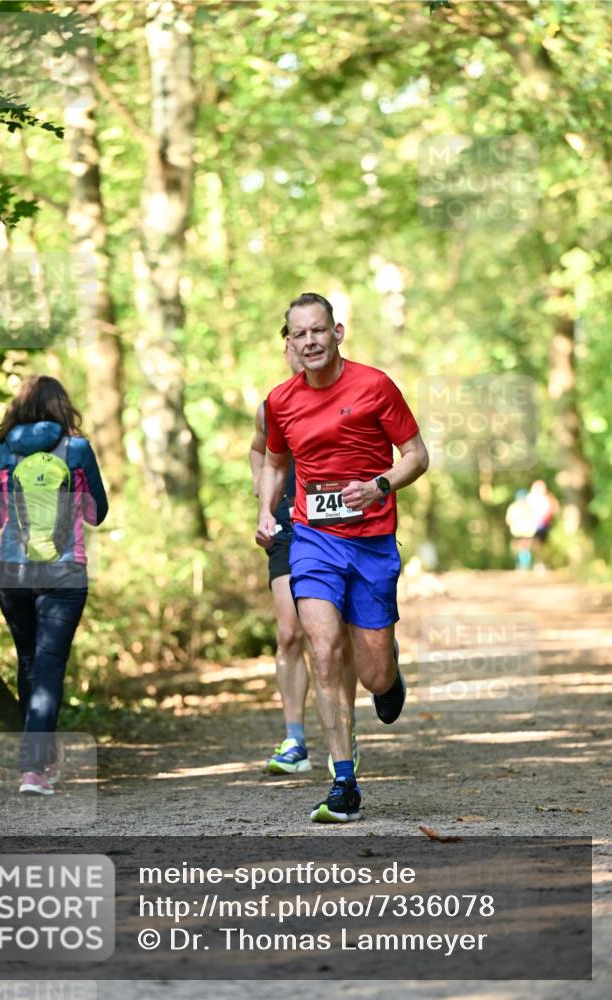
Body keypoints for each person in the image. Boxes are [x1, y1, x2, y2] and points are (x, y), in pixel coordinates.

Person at [256, 292, 428, 823]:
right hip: (313, 538)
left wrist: (380, 485)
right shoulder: (280, 401)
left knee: (374, 676)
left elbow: (418, 456)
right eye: (298, 334)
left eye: (317, 330)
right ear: (289, 342)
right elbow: (276, 463)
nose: (309, 341)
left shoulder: (375, 386)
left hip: (373, 541)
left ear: (338, 332)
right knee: (323, 647)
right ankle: (344, 780)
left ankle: (390, 672)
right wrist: (266, 510)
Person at [0, 375, 108, 795]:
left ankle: (41, 762)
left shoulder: (4, 451)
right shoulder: (76, 449)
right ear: (62, 407)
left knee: (28, 663)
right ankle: (33, 768)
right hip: (63, 570)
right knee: (50, 666)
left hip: (13, 571)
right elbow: (98, 513)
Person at [249, 332, 358, 776]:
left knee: (334, 638)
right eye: (294, 343)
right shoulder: (274, 404)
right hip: (290, 526)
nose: (303, 350)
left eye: (310, 339)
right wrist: (263, 497)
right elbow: (260, 452)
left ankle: (344, 734)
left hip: (343, 525)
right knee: (291, 632)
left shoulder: (350, 394)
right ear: (287, 350)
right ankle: (294, 738)